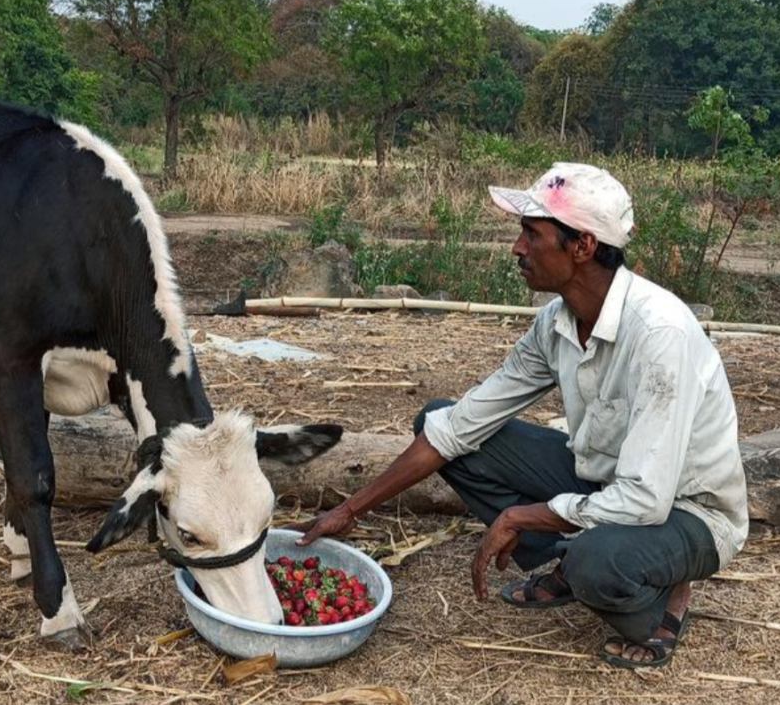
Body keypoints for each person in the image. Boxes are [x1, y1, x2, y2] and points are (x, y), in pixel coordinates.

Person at [292, 163, 748, 668]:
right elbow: (461, 426)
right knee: (439, 420)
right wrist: (351, 510)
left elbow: (645, 498)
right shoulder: (556, 323)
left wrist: (520, 515)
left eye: (532, 234)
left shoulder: (661, 335)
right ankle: (567, 558)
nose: (517, 247)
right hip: (604, 481)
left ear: (583, 246)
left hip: (685, 512)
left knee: (597, 562)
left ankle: (664, 593)